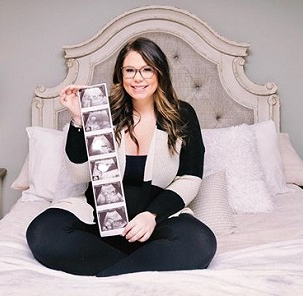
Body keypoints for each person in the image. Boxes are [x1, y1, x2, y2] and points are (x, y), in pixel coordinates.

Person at [26, 37, 217, 277]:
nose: (138, 78)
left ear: (160, 73)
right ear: (121, 75)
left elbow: (190, 178)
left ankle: (110, 272)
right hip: (99, 221)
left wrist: (152, 215)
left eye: (147, 69)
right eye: (130, 70)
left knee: (201, 242)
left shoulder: (182, 114)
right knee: (41, 233)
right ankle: (134, 268)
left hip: (154, 222)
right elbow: (79, 174)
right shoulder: (103, 110)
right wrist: (78, 120)